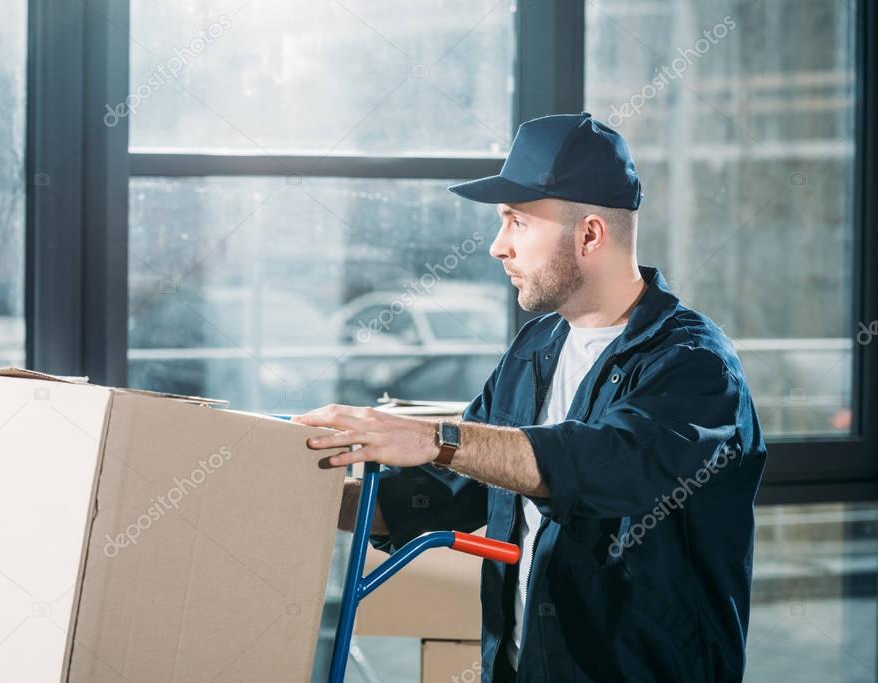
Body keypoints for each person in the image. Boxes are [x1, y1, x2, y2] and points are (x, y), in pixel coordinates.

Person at [293, 112, 766, 682]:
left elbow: (607, 465)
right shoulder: (536, 346)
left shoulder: (696, 366)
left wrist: (432, 437)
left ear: (590, 234)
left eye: (517, 222)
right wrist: (308, 500)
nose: (498, 247)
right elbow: (457, 487)